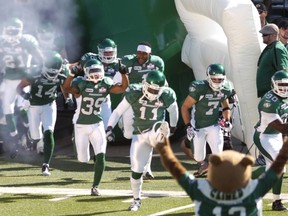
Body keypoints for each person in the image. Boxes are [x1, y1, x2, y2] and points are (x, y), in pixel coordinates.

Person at [153, 134, 288, 215]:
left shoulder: (202, 189)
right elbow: (276, 168)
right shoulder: (252, 190)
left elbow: (178, 171)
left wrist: (165, 151)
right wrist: (285, 149)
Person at [106, 70, 178, 211]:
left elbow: (174, 111)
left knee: (160, 127)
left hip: (156, 130)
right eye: (151, 88)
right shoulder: (134, 92)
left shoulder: (166, 95)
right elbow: (117, 111)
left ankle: (162, 135)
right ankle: (136, 200)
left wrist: (173, 128)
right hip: (139, 135)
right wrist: (109, 127)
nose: (152, 92)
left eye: (156, 90)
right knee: (136, 170)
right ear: (144, 84)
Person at [62, 58, 128, 196]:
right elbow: (66, 88)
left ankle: (95, 186)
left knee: (101, 154)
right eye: (92, 71)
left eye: (98, 71)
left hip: (97, 123)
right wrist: (71, 75)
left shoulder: (106, 83)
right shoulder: (81, 84)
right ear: (86, 72)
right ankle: (81, 147)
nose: (96, 74)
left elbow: (123, 88)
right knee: (83, 159)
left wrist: (124, 74)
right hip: (81, 125)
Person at [16, 51, 68, 176]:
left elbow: (65, 86)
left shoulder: (63, 72)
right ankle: (30, 136)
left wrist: (68, 97)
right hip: (34, 106)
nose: (51, 74)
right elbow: (19, 87)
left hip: (49, 105)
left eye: (54, 71)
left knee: (49, 132)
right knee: (36, 137)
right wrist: (25, 95)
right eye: (49, 71)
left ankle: (46, 165)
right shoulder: (35, 72)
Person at [120, 41, 165, 179]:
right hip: (132, 98)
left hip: (148, 101)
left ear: (149, 54)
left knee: (148, 134)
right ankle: (122, 124)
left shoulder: (157, 62)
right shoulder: (127, 61)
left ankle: (147, 168)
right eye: (139, 52)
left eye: (144, 53)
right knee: (128, 134)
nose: (140, 55)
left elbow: (161, 80)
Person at [0, 17, 43, 157]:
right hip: (8, 79)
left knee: (24, 109)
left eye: (15, 30)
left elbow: (39, 58)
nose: (12, 33)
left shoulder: (27, 41)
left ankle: (27, 134)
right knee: (8, 110)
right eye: (10, 30)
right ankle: (15, 140)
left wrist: (38, 68)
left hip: (24, 80)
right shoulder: (2, 41)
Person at [181, 64, 233, 177]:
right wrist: (188, 126)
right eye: (214, 79)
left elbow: (226, 107)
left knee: (218, 154)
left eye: (220, 79)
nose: (217, 81)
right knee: (198, 156)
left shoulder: (225, 88)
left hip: (214, 124)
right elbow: (185, 107)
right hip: (198, 125)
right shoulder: (200, 88)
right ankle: (203, 165)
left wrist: (227, 120)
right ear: (208, 77)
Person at [253, 70, 288, 211]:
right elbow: (281, 127)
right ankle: (276, 201)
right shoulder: (268, 102)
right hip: (264, 137)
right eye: (281, 84)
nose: (284, 87)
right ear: (274, 84)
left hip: (276, 136)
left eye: (287, 84)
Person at [256, 23, 288, 98]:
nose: (262, 36)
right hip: (268, 93)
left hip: (274, 94)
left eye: (265, 35)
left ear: (273, 35)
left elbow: (283, 72)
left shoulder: (277, 48)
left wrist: (281, 95)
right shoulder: (271, 48)